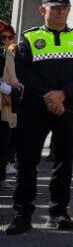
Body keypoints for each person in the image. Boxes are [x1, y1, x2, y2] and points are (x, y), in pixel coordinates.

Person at [5, 0, 73, 235]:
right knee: (27, 161)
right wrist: (48, 95)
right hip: (35, 106)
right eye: (55, 8)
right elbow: (23, 71)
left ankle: (58, 212)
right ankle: (22, 214)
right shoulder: (29, 37)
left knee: (64, 162)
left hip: (69, 106)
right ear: (43, 10)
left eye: (64, 7)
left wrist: (62, 94)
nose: (60, 11)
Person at [0, 23, 18, 191]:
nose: (8, 40)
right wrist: (5, 90)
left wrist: (12, 91)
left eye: (10, 37)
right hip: (5, 96)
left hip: (7, 102)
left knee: (5, 139)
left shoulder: (12, 54)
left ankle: (2, 176)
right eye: (4, 37)